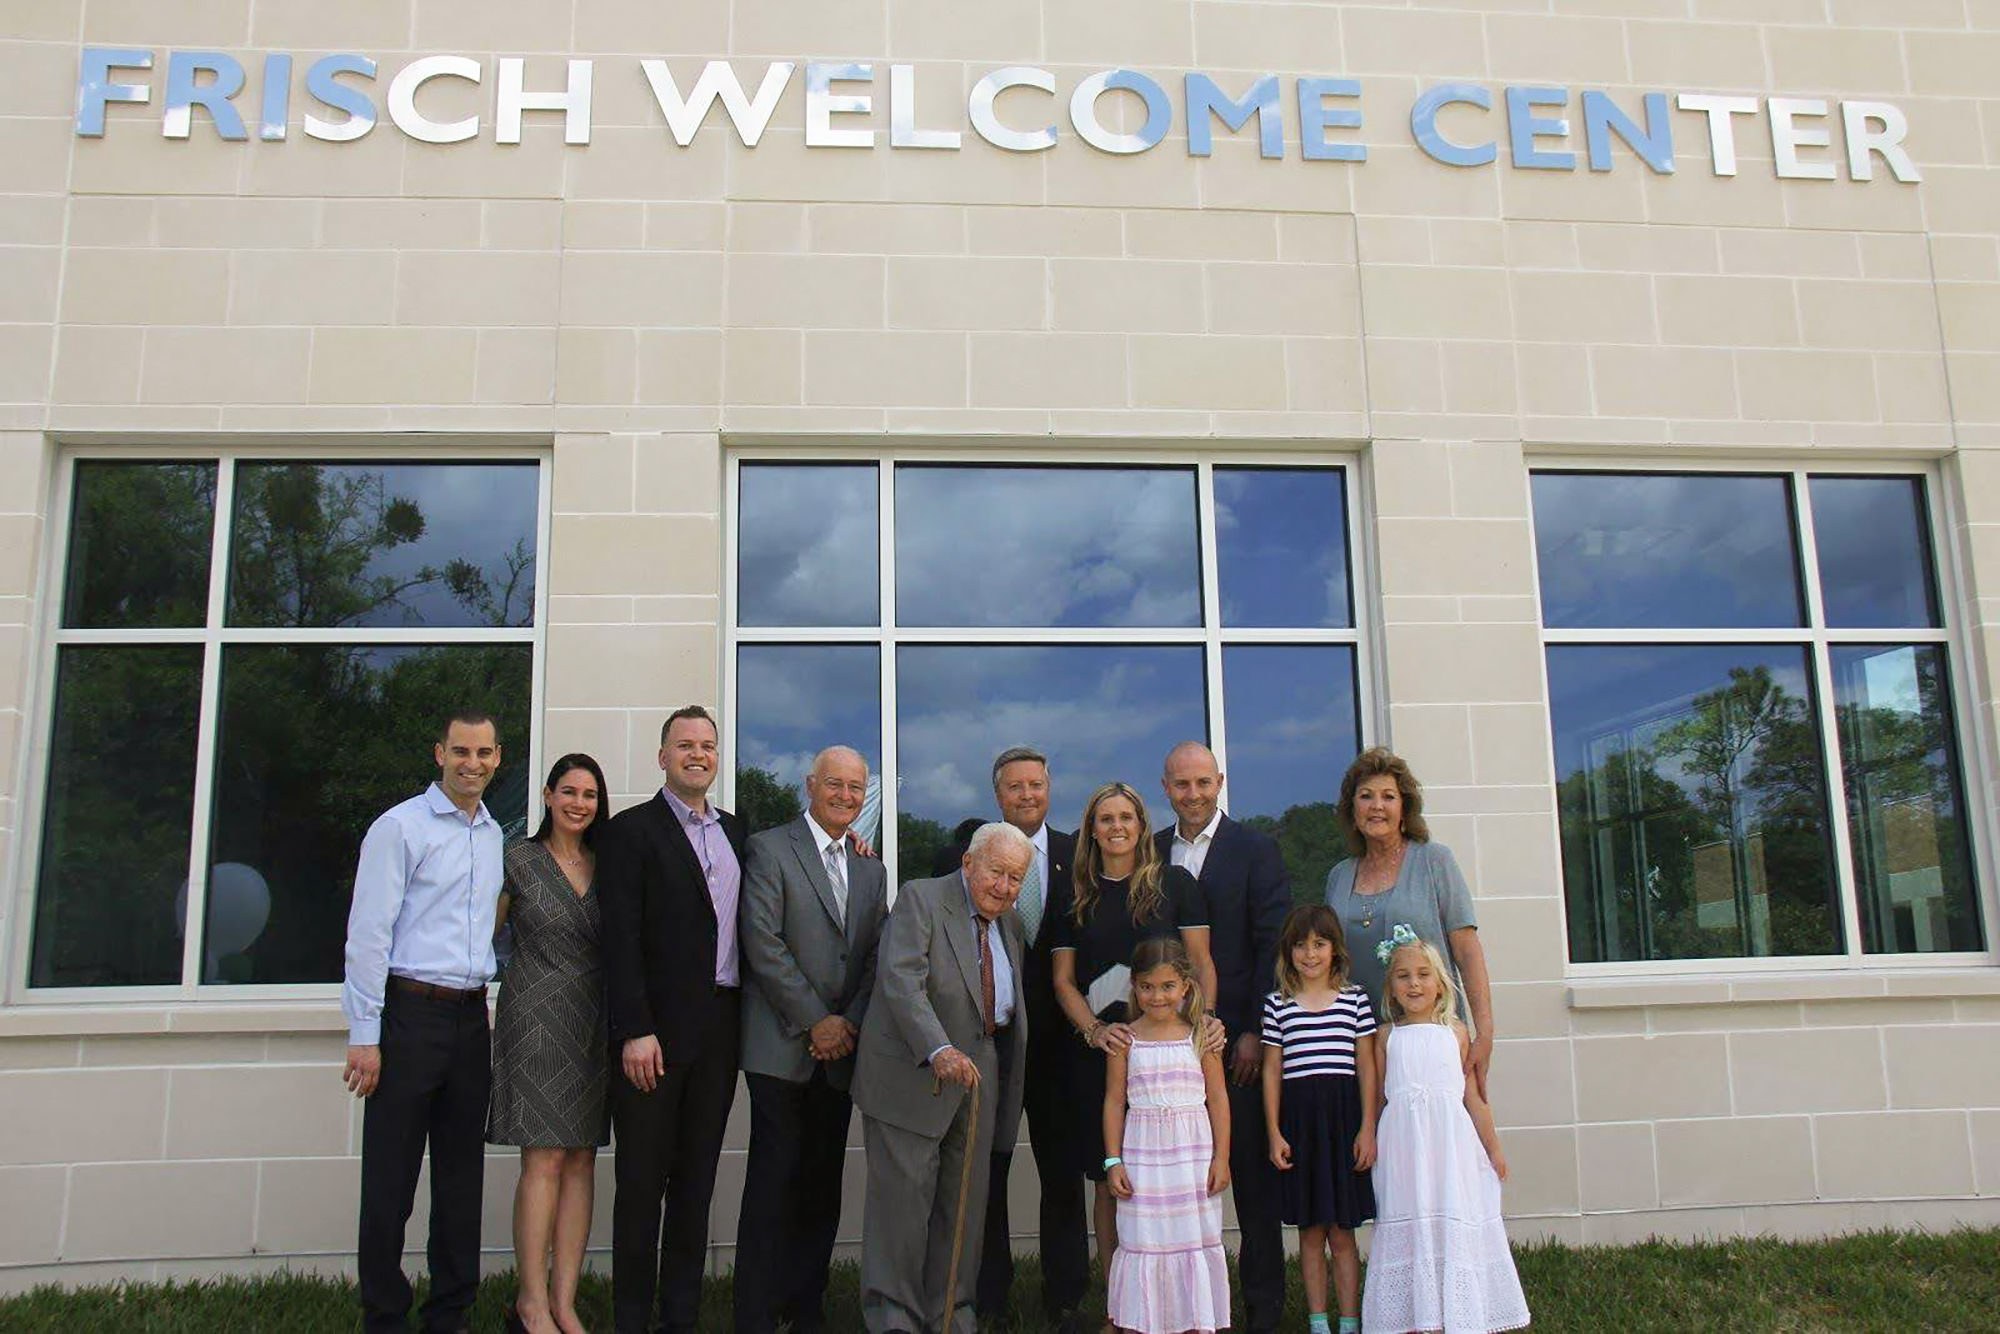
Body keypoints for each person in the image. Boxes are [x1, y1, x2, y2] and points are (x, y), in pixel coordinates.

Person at [341, 710, 507, 1334]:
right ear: (439, 753)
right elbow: (367, 935)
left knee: (462, 1179)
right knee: (390, 1178)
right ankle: (384, 1315)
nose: (473, 763)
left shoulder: (495, 835)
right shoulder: (400, 827)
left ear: (497, 757)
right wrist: (365, 1034)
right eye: (461, 751)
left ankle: (450, 1314)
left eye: (484, 753)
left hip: (470, 1020)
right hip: (408, 1016)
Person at [598, 705, 748, 1334]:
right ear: (662, 756)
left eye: (708, 745)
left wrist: (850, 844)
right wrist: (634, 1028)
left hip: (720, 1030)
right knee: (640, 1185)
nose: (697, 754)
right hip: (652, 1037)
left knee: (695, 1181)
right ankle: (632, 1317)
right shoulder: (631, 831)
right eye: (684, 744)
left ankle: (679, 1316)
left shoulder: (740, 832)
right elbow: (620, 937)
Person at [735, 746, 890, 1334]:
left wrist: (846, 1021)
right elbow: (762, 942)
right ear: (810, 785)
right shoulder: (770, 848)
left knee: (822, 1189)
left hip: (841, 1053)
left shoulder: (871, 869)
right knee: (772, 1186)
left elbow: (875, 954)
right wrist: (815, 1021)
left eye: (856, 788)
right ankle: (754, 1312)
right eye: (835, 785)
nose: (846, 796)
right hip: (781, 1047)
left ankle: (806, 1310)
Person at [853, 822, 1030, 1333]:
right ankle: (894, 1319)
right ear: (969, 863)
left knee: (964, 1208)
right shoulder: (921, 899)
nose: (1003, 887)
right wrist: (938, 1047)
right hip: (917, 1071)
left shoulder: (1010, 923)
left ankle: (951, 1314)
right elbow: (900, 979)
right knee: (902, 1211)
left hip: (981, 1073)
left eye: (1015, 878)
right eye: (996, 872)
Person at [1050, 781, 1218, 1279]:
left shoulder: (1176, 884)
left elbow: (1202, 964)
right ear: (1092, 830)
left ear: (1142, 825)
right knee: (1110, 1178)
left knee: (1169, 1178)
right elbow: (1063, 982)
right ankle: (1117, 1300)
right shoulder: (1073, 894)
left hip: (1170, 1058)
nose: (1117, 827)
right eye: (1106, 819)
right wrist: (1094, 1030)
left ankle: (1174, 1294)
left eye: (1127, 817)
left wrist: (1205, 1021)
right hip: (1101, 1056)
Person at [1156, 741, 1290, 1334]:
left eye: (1203, 783)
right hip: (1165, 1049)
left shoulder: (1255, 850)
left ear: (1220, 782)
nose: (1193, 794)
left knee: (1253, 1188)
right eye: (1182, 785)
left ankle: (1262, 1312)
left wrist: (1256, 1031)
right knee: (1179, 1181)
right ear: (1166, 788)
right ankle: (1186, 1311)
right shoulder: (1150, 850)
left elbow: (1273, 946)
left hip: (1237, 1046)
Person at [488, 753, 613, 1334]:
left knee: (583, 1157)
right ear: (547, 794)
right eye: (568, 792)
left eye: (589, 794)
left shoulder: (608, 863)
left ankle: (565, 1301)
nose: (578, 804)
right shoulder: (517, 859)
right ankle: (530, 1302)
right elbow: (477, 933)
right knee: (543, 1157)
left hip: (593, 1019)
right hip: (533, 1017)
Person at [967, 746, 1086, 1330]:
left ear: (1048, 788)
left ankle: (1065, 1297)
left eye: (1035, 785)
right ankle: (989, 1296)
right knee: (987, 1170)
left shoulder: (1078, 855)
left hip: (1063, 1048)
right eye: (1014, 787)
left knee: (1061, 1173)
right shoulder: (972, 853)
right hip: (995, 1043)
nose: (1026, 795)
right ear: (998, 796)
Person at [1362, 929, 1528, 1334]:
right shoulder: (1385, 1036)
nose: (1414, 983)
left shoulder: (1456, 1033)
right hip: (1403, 1145)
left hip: (1449, 1145)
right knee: (1410, 1214)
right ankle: (1414, 1316)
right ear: (1391, 986)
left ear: (1439, 983)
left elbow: (1473, 1098)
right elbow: (1378, 1097)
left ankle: (1458, 1310)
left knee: (1450, 1212)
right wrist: (1367, 1133)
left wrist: (1494, 1148)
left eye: (1423, 975)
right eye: (1403, 976)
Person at [1322, 748, 1498, 1098]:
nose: (1376, 806)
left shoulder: (1435, 861)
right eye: (1366, 796)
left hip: (1430, 1039)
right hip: (1360, 1045)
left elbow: (1466, 950)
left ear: (1404, 808)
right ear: (1352, 809)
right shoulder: (1338, 876)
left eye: (1388, 797)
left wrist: (1485, 1034)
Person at [1103, 937, 1232, 1334]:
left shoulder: (1202, 1036)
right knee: (1145, 1240)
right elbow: (1113, 1103)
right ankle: (1143, 1323)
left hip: (1190, 1161)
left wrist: (1222, 1158)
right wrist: (1113, 1161)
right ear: (1135, 987)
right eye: (1146, 987)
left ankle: (1193, 1321)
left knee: (1191, 1239)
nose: (1157, 996)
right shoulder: (1124, 1039)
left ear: (1185, 986)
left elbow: (1219, 1100)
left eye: (1167, 986)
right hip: (1143, 1161)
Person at [1260, 905, 1377, 1334]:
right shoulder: (1278, 1005)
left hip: (1343, 1124)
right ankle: (1317, 1322)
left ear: (1335, 950)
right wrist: (1273, 1131)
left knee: (1343, 1233)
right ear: (1288, 951)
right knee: (1310, 1232)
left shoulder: (1355, 1000)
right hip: (1300, 1126)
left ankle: (1348, 1321)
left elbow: (1366, 1066)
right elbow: (1272, 1070)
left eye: (1319, 944)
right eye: (1301, 945)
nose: (1310, 954)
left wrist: (1367, 1127)